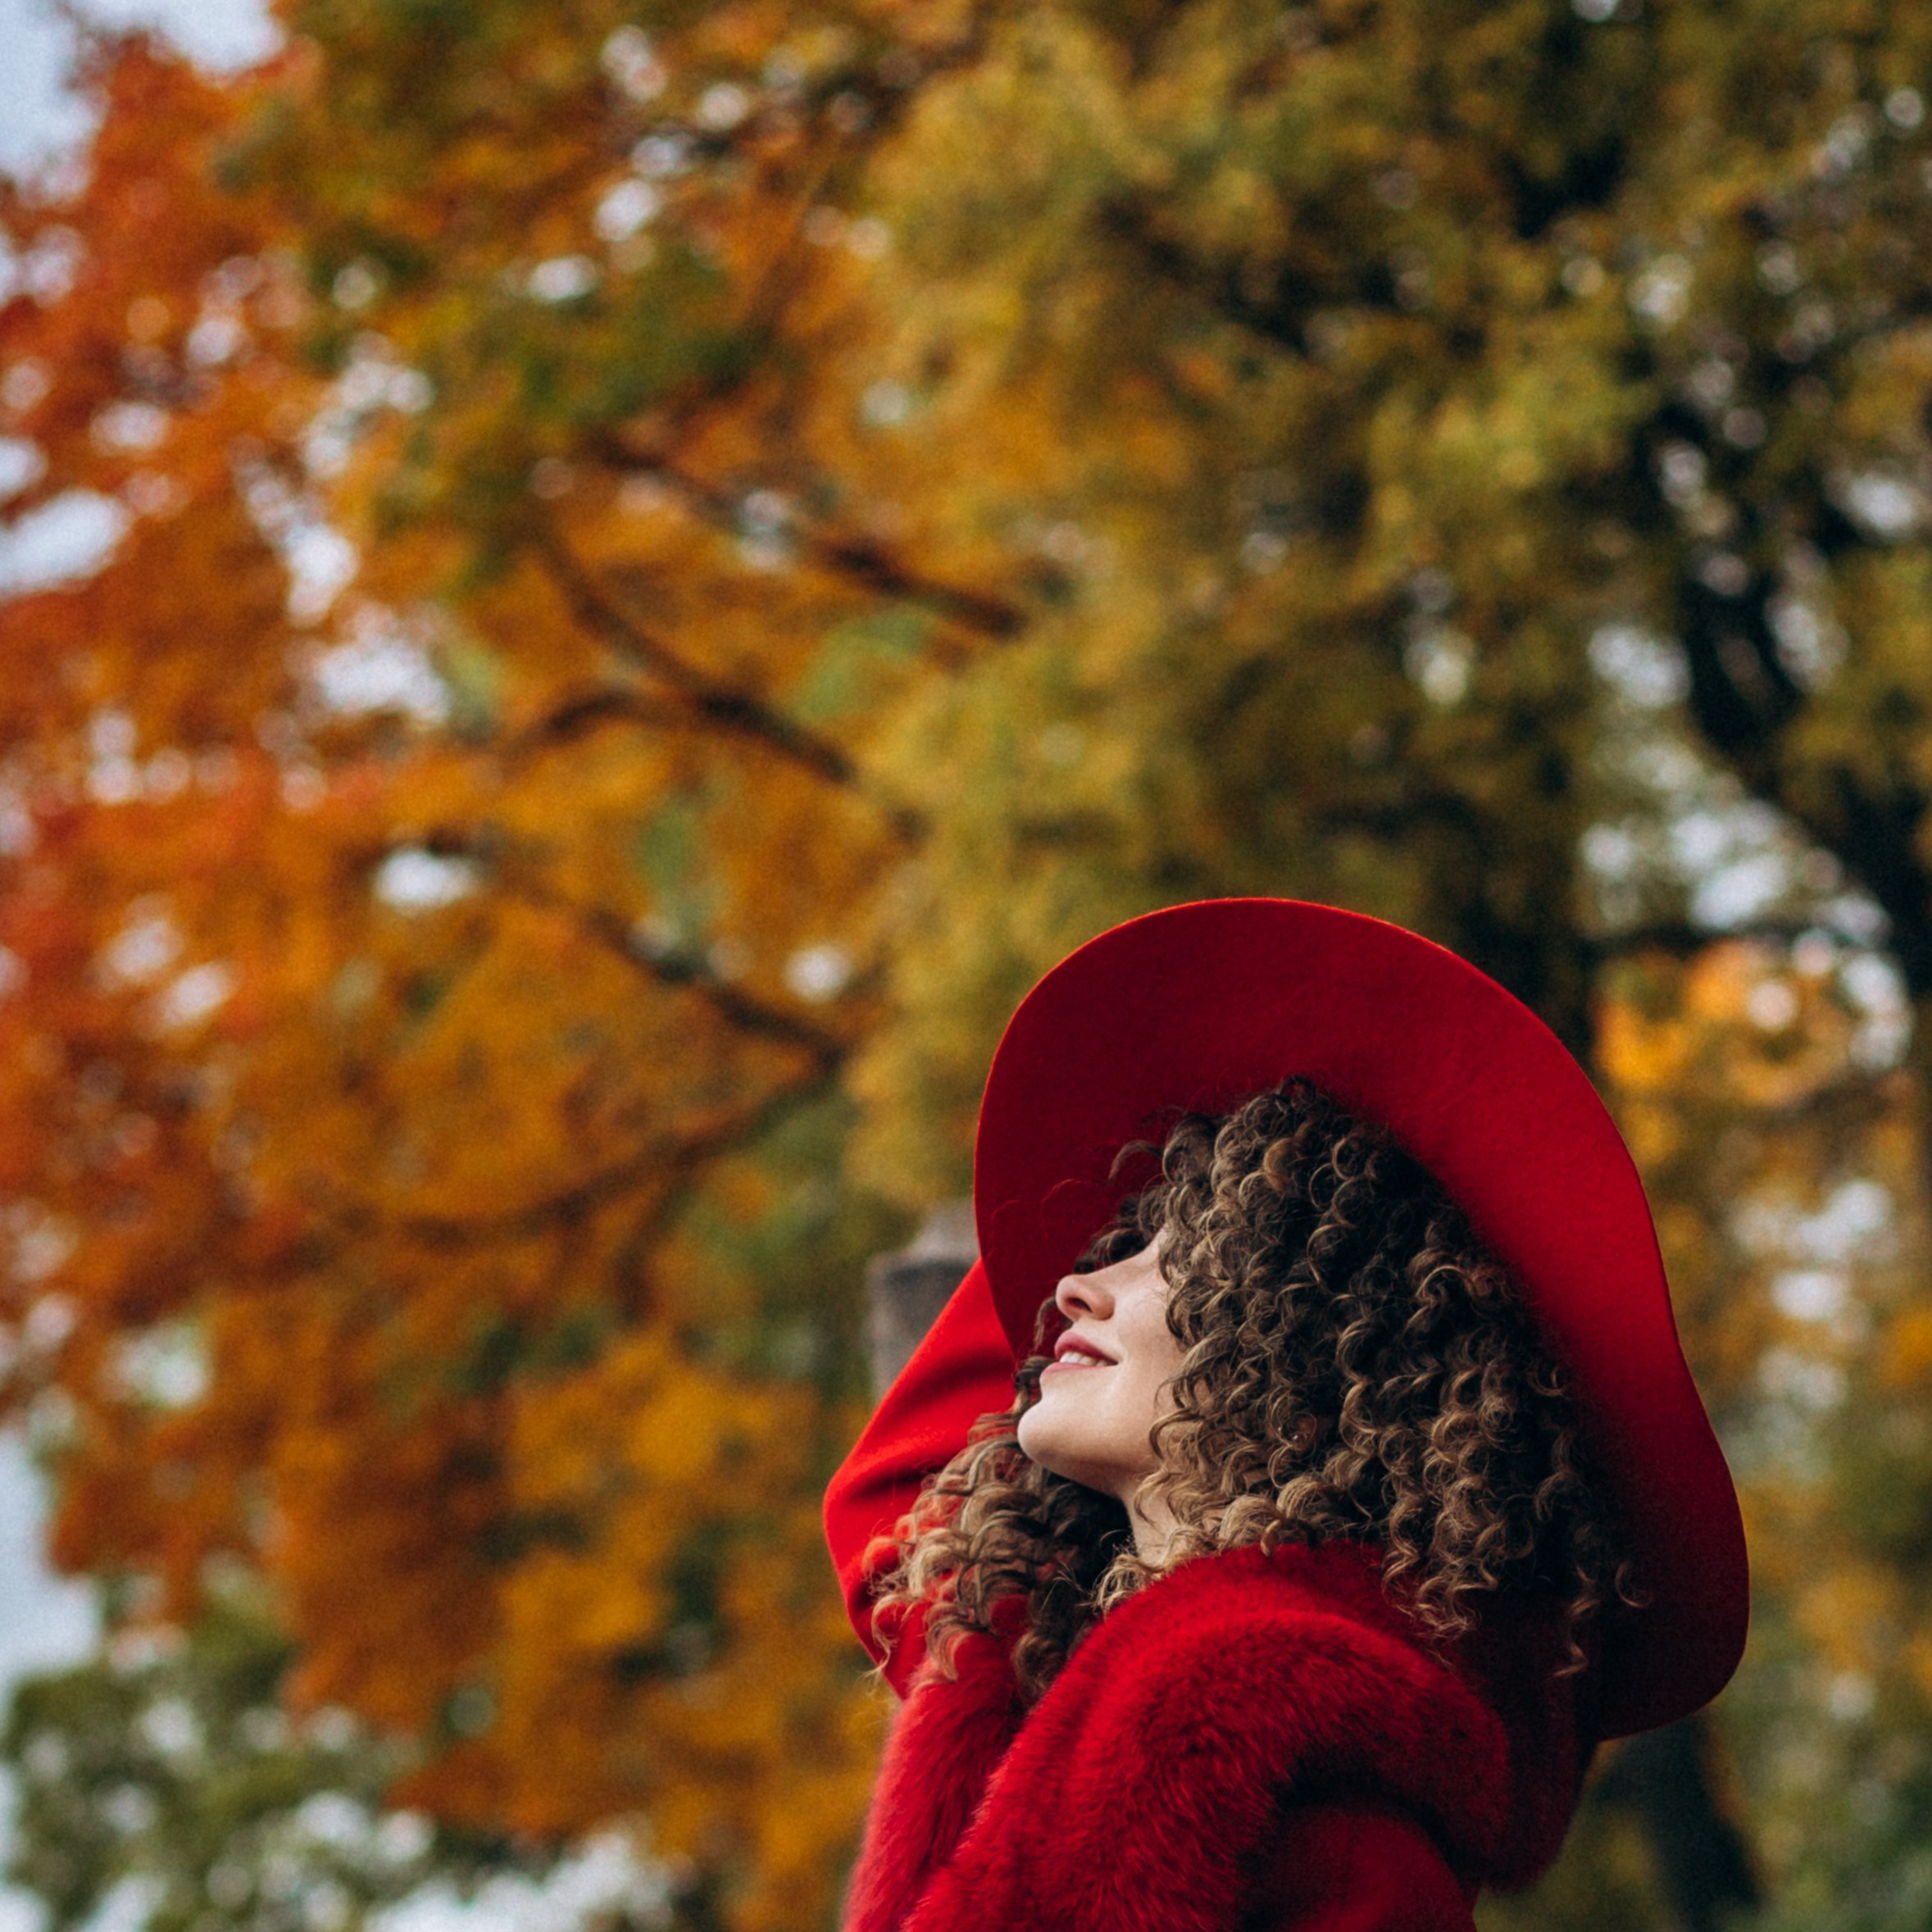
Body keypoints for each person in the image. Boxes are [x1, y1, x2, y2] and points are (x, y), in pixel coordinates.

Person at [825, 900, 1748, 1932]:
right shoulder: (1017, 1671)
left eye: (1169, 1256)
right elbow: (897, 1493)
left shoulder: (1350, 1842)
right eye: (1110, 1245)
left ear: (1311, 1357)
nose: (1075, 1285)